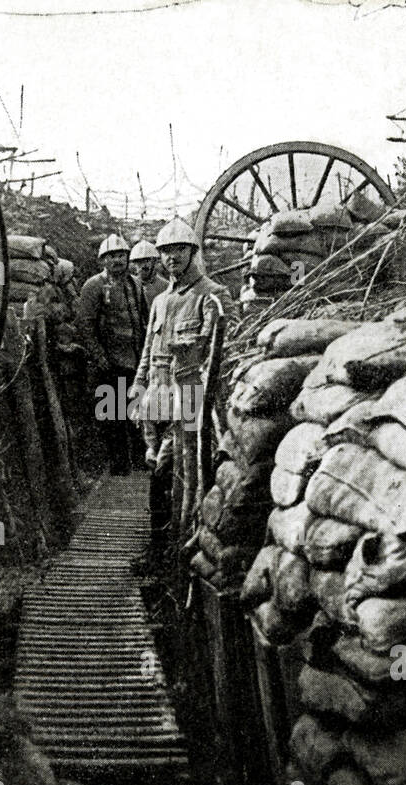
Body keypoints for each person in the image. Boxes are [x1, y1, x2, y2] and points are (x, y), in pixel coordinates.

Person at [131, 218, 233, 560]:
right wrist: (138, 385)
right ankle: (159, 549)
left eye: (179, 250)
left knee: (181, 476)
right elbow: (148, 348)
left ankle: (175, 550)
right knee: (158, 478)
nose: (172, 257)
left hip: (190, 403)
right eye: (166, 252)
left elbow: (217, 358)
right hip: (158, 400)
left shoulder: (212, 295)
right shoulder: (160, 301)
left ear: (192, 252)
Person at [74, 234, 147, 476]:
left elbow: (144, 320)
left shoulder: (135, 284)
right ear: (103, 260)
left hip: (135, 362)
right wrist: (100, 358)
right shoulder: (93, 286)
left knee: (136, 415)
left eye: (122, 255)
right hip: (109, 365)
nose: (118, 260)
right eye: (112, 256)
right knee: (112, 419)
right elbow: (85, 325)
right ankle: (118, 468)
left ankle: (139, 464)